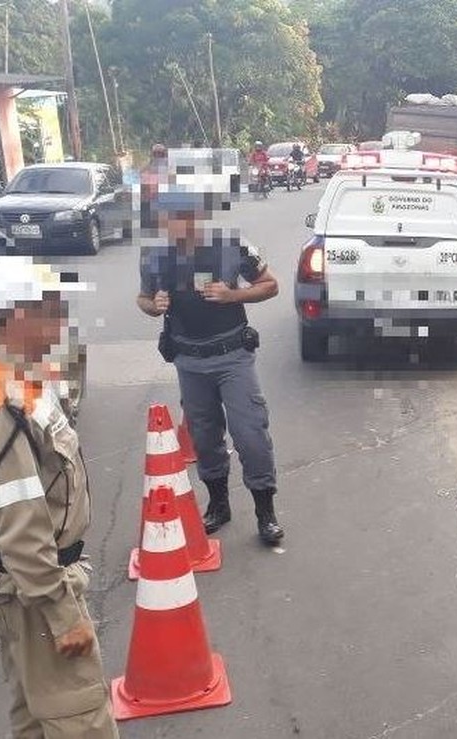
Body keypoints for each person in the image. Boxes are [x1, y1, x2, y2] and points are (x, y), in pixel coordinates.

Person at [0, 257, 118, 738]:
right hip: (36, 594)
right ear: (14, 316)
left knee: (36, 718)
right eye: (52, 309)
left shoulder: (14, 376)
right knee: (80, 719)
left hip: (24, 590)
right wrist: (63, 616)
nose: (62, 321)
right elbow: (22, 526)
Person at [136, 158, 284, 545]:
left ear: (199, 214)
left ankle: (265, 511)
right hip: (189, 362)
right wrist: (155, 305)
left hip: (232, 356)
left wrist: (233, 294)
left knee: (250, 433)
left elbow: (271, 285)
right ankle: (218, 503)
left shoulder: (231, 244)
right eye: (168, 217)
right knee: (204, 439)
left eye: (184, 215)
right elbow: (143, 298)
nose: (176, 224)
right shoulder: (155, 256)